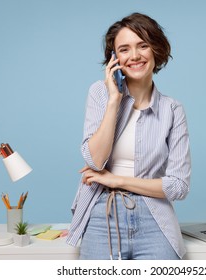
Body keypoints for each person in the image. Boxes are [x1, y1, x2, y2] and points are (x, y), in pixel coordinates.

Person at [66, 12, 191, 260]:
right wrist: (115, 100)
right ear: (114, 58)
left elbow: (178, 186)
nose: (134, 56)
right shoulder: (100, 94)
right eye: (124, 49)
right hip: (103, 212)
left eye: (143, 45)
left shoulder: (172, 110)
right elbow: (95, 161)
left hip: (155, 217)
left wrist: (117, 180)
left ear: (156, 49)